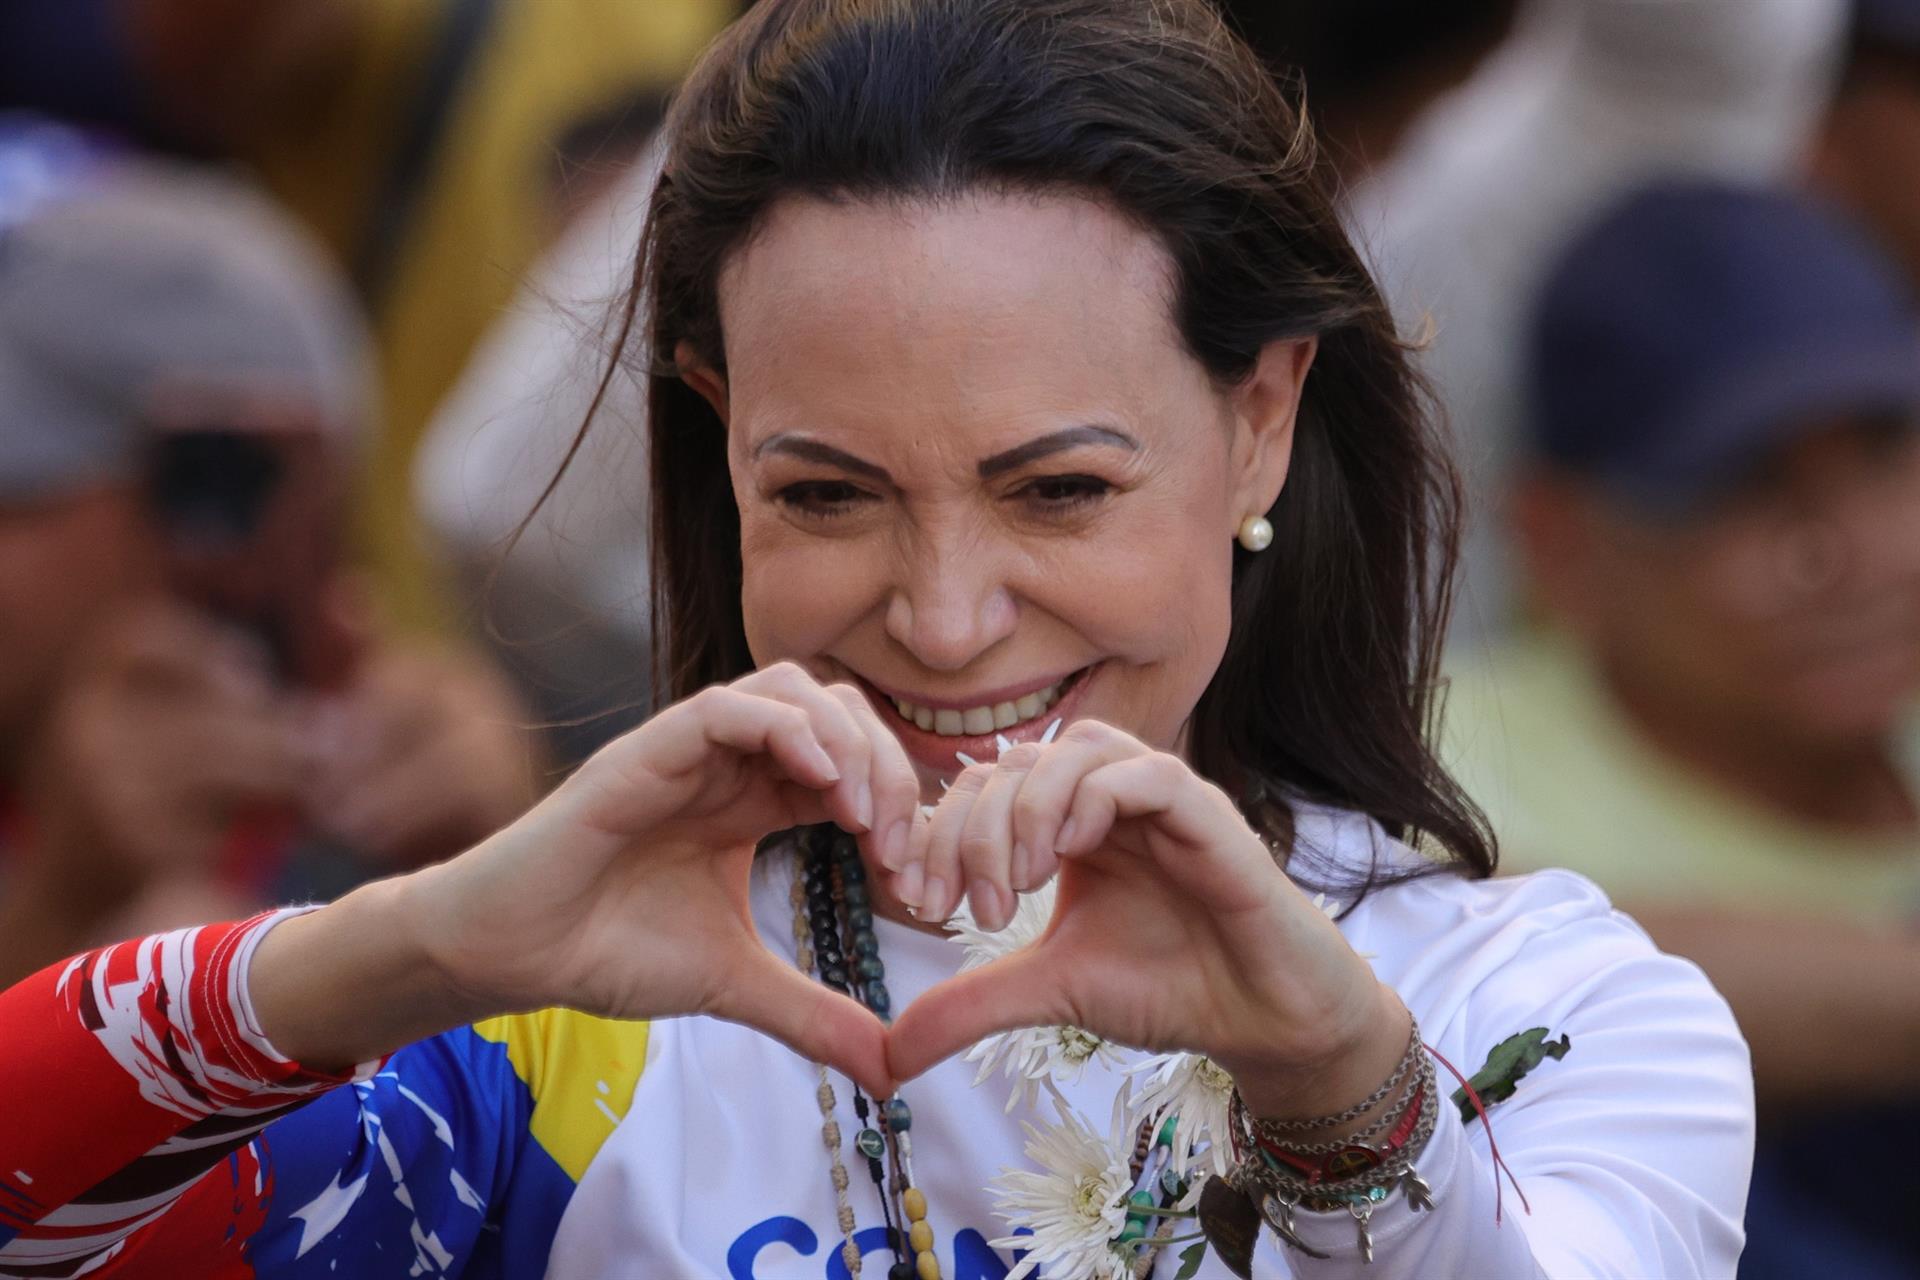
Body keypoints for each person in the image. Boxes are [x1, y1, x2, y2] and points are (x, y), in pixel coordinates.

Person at [0, 4, 1750, 1278]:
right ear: (720, 443)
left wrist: (1334, 1082)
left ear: (1262, 423)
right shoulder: (576, 1017)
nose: (943, 616)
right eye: (828, 496)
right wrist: (417, 943)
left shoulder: (1548, 1012)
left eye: (1058, 491)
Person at [1442, 181, 1920, 1278]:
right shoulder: (1447, 755)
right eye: (1747, 483)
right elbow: (1466, 1004)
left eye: (1884, 453)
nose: (1851, 554)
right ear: (1561, 544)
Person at [0, 155, 541, 985]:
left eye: (14, 495)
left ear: (200, 507)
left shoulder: (400, 780)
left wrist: (518, 883)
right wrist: (57, 917)